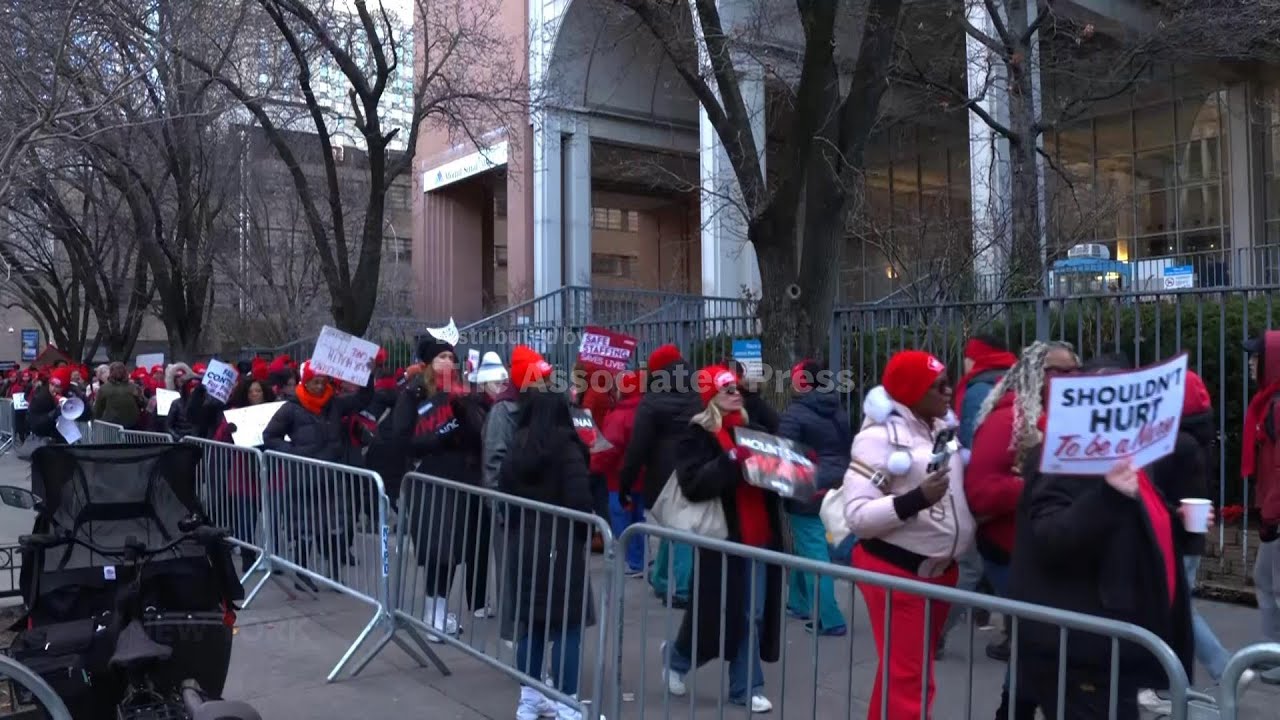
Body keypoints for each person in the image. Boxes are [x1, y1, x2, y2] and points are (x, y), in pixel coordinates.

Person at [1007, 355, 1196, 720]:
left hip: (1116, 647)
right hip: (1082, 650)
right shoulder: (1060, 458)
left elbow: (1132, 521)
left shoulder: (1128, 457)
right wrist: (1107, 495)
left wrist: (1176, 522)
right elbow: (1052, 536)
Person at [840, 350, 974, 720]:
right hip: (898, 576)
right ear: (912, 392)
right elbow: (857, 516)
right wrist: (915, 499)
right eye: (938, 386)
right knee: (910, 681)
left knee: (903, 673)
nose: (949, 391)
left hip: (941, 574)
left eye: (948, 383)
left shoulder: (942, 429)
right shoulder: (878, 439)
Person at [965, 340, 1078, 718]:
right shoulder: (1009, 419)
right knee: (1042, 642)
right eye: (1056, 371)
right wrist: (1038, 481)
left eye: (1073, 370)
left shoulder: (1063, 417)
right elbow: (980, 493)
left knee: (1038, 644)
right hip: (1012, 552)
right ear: (1033, 374)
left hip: (1048, 552)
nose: (1067, 378)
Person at [663, 364, 784, 714]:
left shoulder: (754, 429)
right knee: (715, 616)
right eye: (727, 389)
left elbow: (779, 469)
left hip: (760, 536)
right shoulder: (697, 435)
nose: (735, 393)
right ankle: (677, 657)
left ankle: (746, 688)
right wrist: (730, 460)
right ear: (711, 397)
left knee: (753, 614)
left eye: (736, 388)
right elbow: (693, 484)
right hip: (723, 539)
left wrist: (796, 469)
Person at [1141, 370, 1255, 711]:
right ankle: (1223, 668)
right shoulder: (1199, 438)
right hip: (1188, 537)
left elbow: (1154, 491)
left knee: (1174, 610)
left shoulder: (1175, 443)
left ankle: (1207, 672)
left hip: (1173, 537)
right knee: (1178, 607)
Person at [500, 378, 598, 720]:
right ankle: (567, 704)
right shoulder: (568, 448)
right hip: (561, 544)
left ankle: (530, 699)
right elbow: (580, 501)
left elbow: (504, 495)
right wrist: (584, 535)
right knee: (567, 626)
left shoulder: (517, 445)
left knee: (532, 623)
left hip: (525, 544)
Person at [390, 333, 487, 641]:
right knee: (436, 549)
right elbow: (403, 440)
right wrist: (441, 434)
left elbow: (477, 437)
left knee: (454, 550)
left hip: (463, 480)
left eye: (451, 358)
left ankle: (440, 610)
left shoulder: (463, 394)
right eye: (442, 357)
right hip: (430, 481)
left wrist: (464, 413)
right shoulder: (413, 394)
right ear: (428, 363)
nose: (448, 362)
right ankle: (433, 614)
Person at [619, 344, 699, 607]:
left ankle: (682, 588)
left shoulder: (651, 401)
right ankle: (661, 577)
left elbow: (637, 448)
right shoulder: (698, 393)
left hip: (663, 474)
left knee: (678, 528)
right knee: (676, 525)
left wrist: (625, 482)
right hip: (694, 467)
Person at [777, 359, 850, 636]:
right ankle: (799, 602)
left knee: (814, 554)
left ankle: (829, 619)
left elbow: (784, 453)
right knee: (808, 546)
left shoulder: (794, 414)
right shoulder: (837, 410)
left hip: (806, 489)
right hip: (836, 485)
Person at [1244, 332, 1280, 674]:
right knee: (1266, 580)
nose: (1251, 363)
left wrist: (1271, 514)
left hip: (1277, 512)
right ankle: (1272, 654)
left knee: (1275, 584)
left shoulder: (1277, 406)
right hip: (1273, 509)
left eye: (1257, 357)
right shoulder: (1268, 402)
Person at [590, 370, 646, 577]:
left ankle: (633, 561)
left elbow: (609, 448)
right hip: (641, 475)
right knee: (638, 519)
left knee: (621, 518)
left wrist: (594, 464)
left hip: (618, 478)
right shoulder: (644, 411)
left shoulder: (619, 416)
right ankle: (640, 558)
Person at [92, 362, 143, 428]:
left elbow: (97, 410)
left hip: (111, 426)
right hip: (132, 426)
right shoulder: (134, 387)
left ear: (110, 373)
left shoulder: (103, 388)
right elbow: (143, 403)